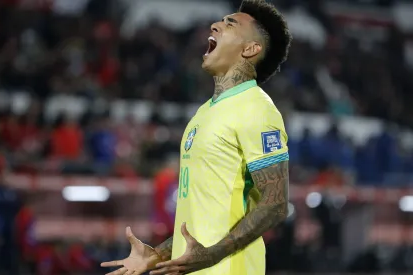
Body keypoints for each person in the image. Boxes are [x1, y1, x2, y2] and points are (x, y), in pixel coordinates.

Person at [101, 1, 292, 274]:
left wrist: (212, 256)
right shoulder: (203, 113)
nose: (215, 25)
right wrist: (156, 255)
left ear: (250, 49)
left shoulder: (257, 107)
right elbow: (202, 217)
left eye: (230, 24)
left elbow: (275, 203)